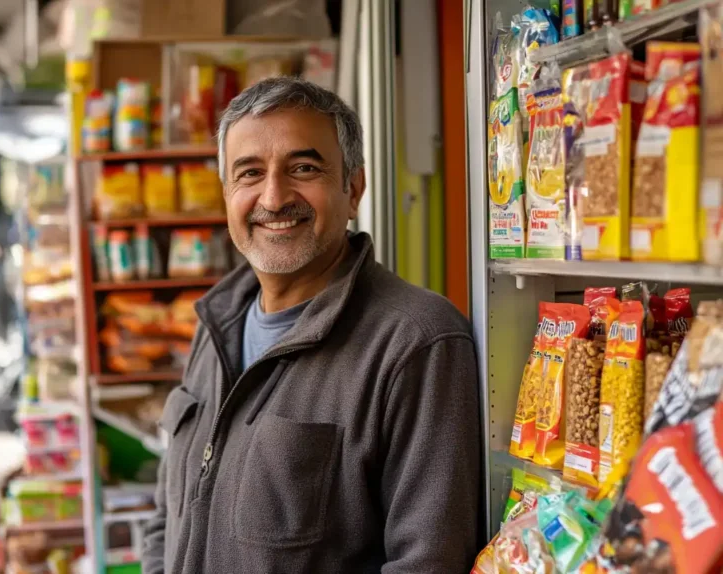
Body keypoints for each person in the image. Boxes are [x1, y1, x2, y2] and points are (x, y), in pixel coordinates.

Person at [141, 77, 482, 573]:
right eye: (249, 173)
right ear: (227, 195)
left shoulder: (415, 342)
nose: (274, 198)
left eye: (303, 168)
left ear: (354, 188)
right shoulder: (214, 323)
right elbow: (166, 519)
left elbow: (428, 562)